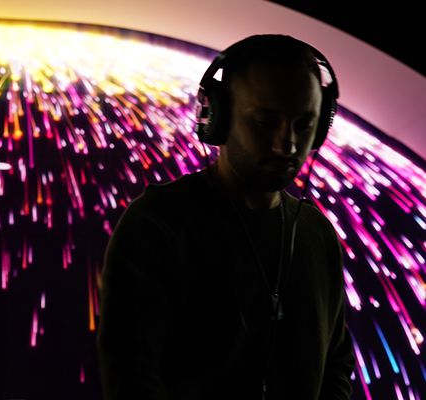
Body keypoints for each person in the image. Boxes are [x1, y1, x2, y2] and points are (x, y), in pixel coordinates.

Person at [96, 34, 356, 400]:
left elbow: (336, 363)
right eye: (265, 122)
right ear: (217, 117)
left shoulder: (317, 234)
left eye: (303, 124)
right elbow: (130, 376)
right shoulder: (157, 224)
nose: (287, 144)